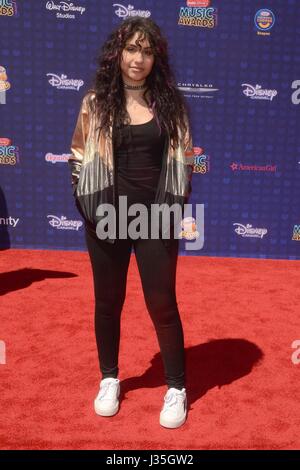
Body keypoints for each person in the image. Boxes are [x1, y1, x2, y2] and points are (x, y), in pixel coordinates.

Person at [68, 16, 193, 429]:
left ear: (156, 57)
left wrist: (168, 212)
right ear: (117, 54)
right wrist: (90, 207)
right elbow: (78, 157)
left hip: (155, 218)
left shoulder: (171, 104)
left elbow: (182, 164)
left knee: (162, 304)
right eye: (131, 49)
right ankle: (109, 378)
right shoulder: (95, 102)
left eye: (146, 50)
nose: (138, 58)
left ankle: (176, 387)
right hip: (105, 217)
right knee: (107, 302)